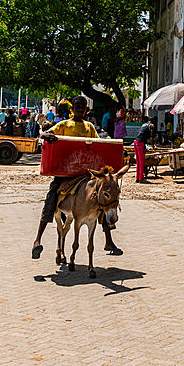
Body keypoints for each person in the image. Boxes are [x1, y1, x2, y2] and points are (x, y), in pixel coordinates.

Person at [31, 95, 122, 259]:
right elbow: (43, 134)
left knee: (104, 197)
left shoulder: (90, 127)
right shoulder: (64, 124)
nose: (80, 109)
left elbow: (98, 145)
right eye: (77, 106)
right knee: (51, 198)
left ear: (87, 110)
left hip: (87, 173)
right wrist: (46, 136)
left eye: (83, 107)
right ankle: (37, 240)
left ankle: (108, 240)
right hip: (65, 173)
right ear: (72, 109)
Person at [133, 117, 156, 183]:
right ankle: (141, 179)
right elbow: (151, 136)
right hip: (140, 143)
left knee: (138, 162)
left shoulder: (144, 125)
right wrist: (153, 146)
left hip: (136, 142)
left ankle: (137, 178)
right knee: (141, 162)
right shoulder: (151, 125)